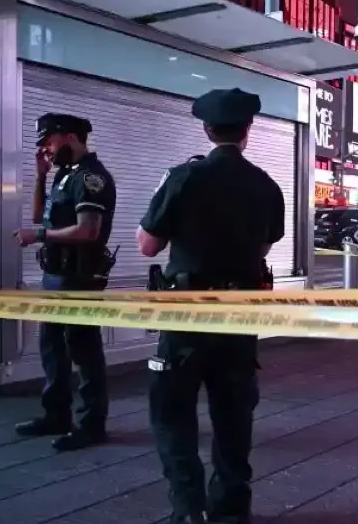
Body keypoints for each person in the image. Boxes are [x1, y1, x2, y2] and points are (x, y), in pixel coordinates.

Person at [136, 88, 285, 524]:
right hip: (239, 314)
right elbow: (262, 246)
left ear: (206, 129)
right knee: (234, 412)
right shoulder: (266, 185)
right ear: (247, 131)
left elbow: (147, 246)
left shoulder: (183, 177)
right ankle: (232, 509)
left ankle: (188, 508)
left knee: (172, 412)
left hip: (185, 314)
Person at [13, 113, 116, 452]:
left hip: (80, 277)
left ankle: (91, 424)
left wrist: (39, 235)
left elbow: (88, 230)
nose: (45, 148)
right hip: (57, 274)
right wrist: (41, 177)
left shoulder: (90, 178)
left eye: (49, 141)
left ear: (70, 136)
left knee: (83, 350)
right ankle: (56, 415)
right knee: (53, 348)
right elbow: (37, 216)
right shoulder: (63, 176)